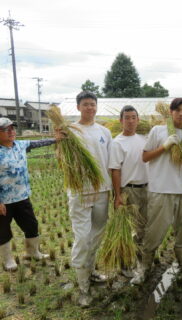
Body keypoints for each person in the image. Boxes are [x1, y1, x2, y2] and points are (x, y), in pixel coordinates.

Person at [136, 97, 182, 283]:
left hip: (181, 190)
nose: (181, 113)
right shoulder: (157, 131)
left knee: (181, 230)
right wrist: (165, 146)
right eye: (178, 110)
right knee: (154, 231)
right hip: (160, 189)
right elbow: (145, 157)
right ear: (170, 112)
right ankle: (145, 265)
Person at [68, 91, 112, 307]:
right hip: (80, 191)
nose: (90, 108)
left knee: (97, 235)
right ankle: (83, 288)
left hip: (102, 190)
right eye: (85, 104)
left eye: (93, 104)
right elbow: (63, 161)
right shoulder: (70, 132)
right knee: (83, 238)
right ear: (78, 107)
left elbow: (111, 163)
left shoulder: (105, 132)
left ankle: (91, 271)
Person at [0, 117, 62, 271]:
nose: (11, 132)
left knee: (31, 225)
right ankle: (8, 260)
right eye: (6, 129)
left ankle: (32, 252)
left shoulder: (20, 145)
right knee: (2, 230)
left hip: (22, 197)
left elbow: (39, 143)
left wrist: (56, 139)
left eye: (12, 128)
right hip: (4, 201)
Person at [108, 105, 149, 284]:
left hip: (147, 189)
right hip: (129, 191)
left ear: (138, 120)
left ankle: (141, 263)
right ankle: (127, 265)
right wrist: (118, 196)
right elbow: (115, 170)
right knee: (128, 230)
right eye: (127, 117)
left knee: (144, 229)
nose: (130, 121)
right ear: (121, 121)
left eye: (133, 117)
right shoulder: (117, 143)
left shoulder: (144, 139)